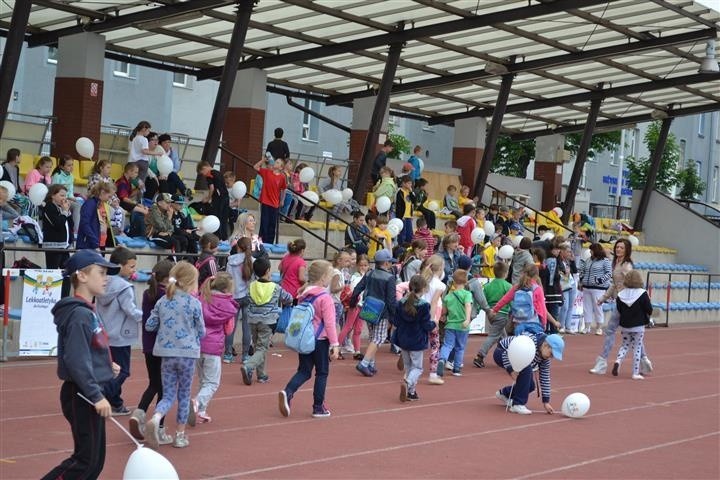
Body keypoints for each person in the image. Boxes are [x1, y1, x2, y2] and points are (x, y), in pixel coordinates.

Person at [41, 250, 120, 480]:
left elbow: (90, 348)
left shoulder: (87, 312)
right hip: (82, 394)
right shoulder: (79, 315)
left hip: (89, 389)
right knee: (85, 462)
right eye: (101, 272)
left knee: (95, 463)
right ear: (82, 276)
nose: (106, 277)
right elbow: (76, 359)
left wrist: (107, 365)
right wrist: (96, 395)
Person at [144, 261, 204, 449]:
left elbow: (149, 325)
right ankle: (180, 435)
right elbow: (202, 331)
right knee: (184, 395)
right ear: (190, 282)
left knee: (168, 395)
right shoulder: (194, 303)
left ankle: (156, 417)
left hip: (166, 354)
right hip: (187, 354)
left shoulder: (163, 301)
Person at [278, 260, 339, 418]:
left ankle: (288, 391)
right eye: (330, 276)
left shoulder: (303, 294)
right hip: (320, 340)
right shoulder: (325, 298)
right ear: (324, 277)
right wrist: (335, 344)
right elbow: (330, 324)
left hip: (304, 338)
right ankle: (318, 407)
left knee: (304, 371)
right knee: (322, 373)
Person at [590, 239, 653, 376]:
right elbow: (614, 284)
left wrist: (637, 299)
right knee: (633, 334)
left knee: (612, 331)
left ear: (627, 250)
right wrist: (604, 298)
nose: (618, 249)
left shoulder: (626, 266)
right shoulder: (617, 263)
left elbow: (634, 282)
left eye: (621, 248)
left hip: (626, 303)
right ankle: (644, 361)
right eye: (617, 247)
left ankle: (602, 363)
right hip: (621, 301)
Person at [129, 260, 174, 444]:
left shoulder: (149, 293)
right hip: (163, 346)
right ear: (168, 277)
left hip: (149, 345)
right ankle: (159, 428)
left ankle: (139, 413)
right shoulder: (166, 296)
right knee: (164, 388)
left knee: (153, 383)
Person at [95, 247, 141, 416]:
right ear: (120, 266)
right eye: (131, 266)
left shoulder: (103, 282)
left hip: (106, 332)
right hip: (122, 335)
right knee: (123, 371)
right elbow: (131, 310)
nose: (134, 270)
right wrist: (147, 316)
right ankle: (102, 395)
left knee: (111, 370)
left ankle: (116, 402)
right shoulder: (124, 287)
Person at [195, 273, 238, 422]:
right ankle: (197, 402)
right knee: (212, 382)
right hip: (213, 347)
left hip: (197, 344)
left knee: (203, 380)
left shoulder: (201, 298)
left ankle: (201, 410)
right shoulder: (228, 306)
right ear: (227, 288)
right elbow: (229, 330)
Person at [242, 258, 292, 385]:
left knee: (259, 346)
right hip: (267, 321)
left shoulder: (251, 285)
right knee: (262, 348)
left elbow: (248, 299)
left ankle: (261, 375)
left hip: (253, 320)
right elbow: (288, 298)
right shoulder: (275, 287)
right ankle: (249, 365)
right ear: (268, 270)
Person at [350, 249, 397, 377]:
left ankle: (371, 363)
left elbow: (357, 288)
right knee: (379, 338)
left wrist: (353, 302)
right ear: (386, 263)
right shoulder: (390, 278)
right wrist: (394, 317)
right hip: (382, 311)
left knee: (372, 336)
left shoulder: (369, 273)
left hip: (369, 307)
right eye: (390, 263)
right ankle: (365, 363)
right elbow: (391, 300)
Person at [493, 332, 564, 415]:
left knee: (530, 386)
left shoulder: (545, 359)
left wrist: (546, 401)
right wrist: (510, 369)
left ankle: (504, 393)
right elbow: (506, 352)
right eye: (551, 354)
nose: (551, 357)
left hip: (519, 359)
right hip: (501, 352)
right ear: (545, 345)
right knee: (527, 368)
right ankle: (518, 404)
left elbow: (545, 378)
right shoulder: (530, 343)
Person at [391, 275, 434, 402]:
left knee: (409, 366)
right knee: (418, 367)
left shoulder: (401, 303)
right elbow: (426, 325)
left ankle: (411, 392)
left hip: (403, 339)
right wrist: (434, 324)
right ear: (424, 289)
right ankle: (408, 382)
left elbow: (396, 322)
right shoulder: (424, 306)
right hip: (417, 340)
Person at [490, 264, 559, 336]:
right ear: (536, 276)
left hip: (518, 321)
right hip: (533, 321)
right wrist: (544, 323)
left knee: (518, 342)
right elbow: (542, 308)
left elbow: (505, 299)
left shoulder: (517, 287)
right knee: (535, 343)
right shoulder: (537, 289)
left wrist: (495, 310)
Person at [473, 262, 513, 368]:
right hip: (502, 314)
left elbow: (482, 300)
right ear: (506, 273)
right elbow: (511, 300)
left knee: (503, 336)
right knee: (493, 336)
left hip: (491, 313)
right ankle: (480, 355)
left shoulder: (488, 286)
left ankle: (510, 354)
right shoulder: (508, 286)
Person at [438, 270, 473, 377]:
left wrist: (442, 316)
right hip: (463, 326)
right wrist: (467, 319)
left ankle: (442, 359)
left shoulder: (448, 296)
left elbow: (443, 311)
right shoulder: (467, 294)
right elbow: (468, 306)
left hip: (450, 325)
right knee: (460, 347)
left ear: (453, 281)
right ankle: (456, 368)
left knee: (447, 345)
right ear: (466, 281)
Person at [225, 237, 253, 364]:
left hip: (234, 296)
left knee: (231, 326)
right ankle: (245, 355)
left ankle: (228, 354)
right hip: (247, 295)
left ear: (239, 247)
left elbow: (228, 279)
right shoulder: (253, 261)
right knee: (247, 326)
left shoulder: (231, 260)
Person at [338, 254, 370, 360]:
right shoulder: (356, 276)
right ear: (357, 265)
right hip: (355, 304)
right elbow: (354, 291)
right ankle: (335, 348)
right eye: (361, 265)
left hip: (363, 305)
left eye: (365, 265)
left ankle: (357, 351)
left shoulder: (367, 276)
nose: (363, 267)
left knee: (358, 329)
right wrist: (353, 302)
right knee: (348, 326)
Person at [578, 242, 612, 335]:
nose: (590, 252)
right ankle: (587, 327)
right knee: (586, 307)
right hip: (586, 287)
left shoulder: (605, 261)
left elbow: (609, 273)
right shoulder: (588, 260)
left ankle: (599, 327)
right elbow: (583, 270)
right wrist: (581, 279)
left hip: (598, 288)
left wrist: (600, 280)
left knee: (598, 307)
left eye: (592, 250)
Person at [41, 185, 73, 277]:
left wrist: (68, 212)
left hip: (64, 246)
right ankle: (50, 291)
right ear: (53, 195)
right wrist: (64, 212)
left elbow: (71, 225)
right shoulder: (49, 207)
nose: (64, 198)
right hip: (53, 246)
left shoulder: (62, 208)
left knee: (67, 273)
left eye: (65, 196)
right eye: (62, 195)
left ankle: (64, 292)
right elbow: (58, 224)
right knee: (52, 273)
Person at [253, 156, 286, 244]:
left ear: (281, 167)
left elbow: (283, 189)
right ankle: (261, 242)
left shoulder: (282, 177)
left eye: (278, 162)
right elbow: (255, 167)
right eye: (276, 161)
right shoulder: (267, 172)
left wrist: (282, 200)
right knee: (264, 223)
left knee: (272, 225)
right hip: (265, 202)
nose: (276, 162)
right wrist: (263, 160)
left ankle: (269, 243)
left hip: (275, 204)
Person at [76, 181, 116, 250]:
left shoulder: (104, 205)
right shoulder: (90, 204)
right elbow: (85, 224)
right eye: (109, 196)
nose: (110, 199)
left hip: (101, 243)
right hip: (89, 245)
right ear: (102, 192)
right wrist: (94, 242)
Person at [196, 161, 230, 240]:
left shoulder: (209, 174)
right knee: (224, 219)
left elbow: (212, 188)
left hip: (218, 199)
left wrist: (208, 198)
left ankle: (217, 238)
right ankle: (224, 238)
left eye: (202, 173)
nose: (203, 175)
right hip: (226, 197)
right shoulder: (219, 173)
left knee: (216, 218)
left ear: (204, 168)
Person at [116, 162, 149, 237]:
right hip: (120, 203)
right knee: (144, 211)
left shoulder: (128, 181)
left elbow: (129, 195)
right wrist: (136, 203)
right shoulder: (122, 182)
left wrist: (138, 188)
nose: (137, 175)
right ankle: (140, 233)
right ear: (129, 171)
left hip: (124, 202)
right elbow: (124, 199)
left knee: (143, 208)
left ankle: (138, 232)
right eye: (136, 172)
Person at [51, 154, 81, 231]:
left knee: (79, 204)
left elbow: (70, 190)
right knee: (76, 206)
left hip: (67, 199)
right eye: (68, 165)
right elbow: (54, 191)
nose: (71, 167)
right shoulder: (57, 175)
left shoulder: (71, 176)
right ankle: (75, 230)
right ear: (61, 166)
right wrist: (67, 198)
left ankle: (75, 229)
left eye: (72, 165)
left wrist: (72, 198)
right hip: (58, 200)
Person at [394, 175, 415, 245]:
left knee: (410, 234)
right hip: (402, 216)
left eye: (411, 183)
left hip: (409, 216)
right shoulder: (400, 192)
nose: (410, 185)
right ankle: (401, 247)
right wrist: (400, 216)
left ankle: (408, 247)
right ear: (403, 183)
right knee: (402, 234)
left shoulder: (410, 192)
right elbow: (398, 206)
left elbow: (414, 201)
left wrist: (411, 192)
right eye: (408, 183)